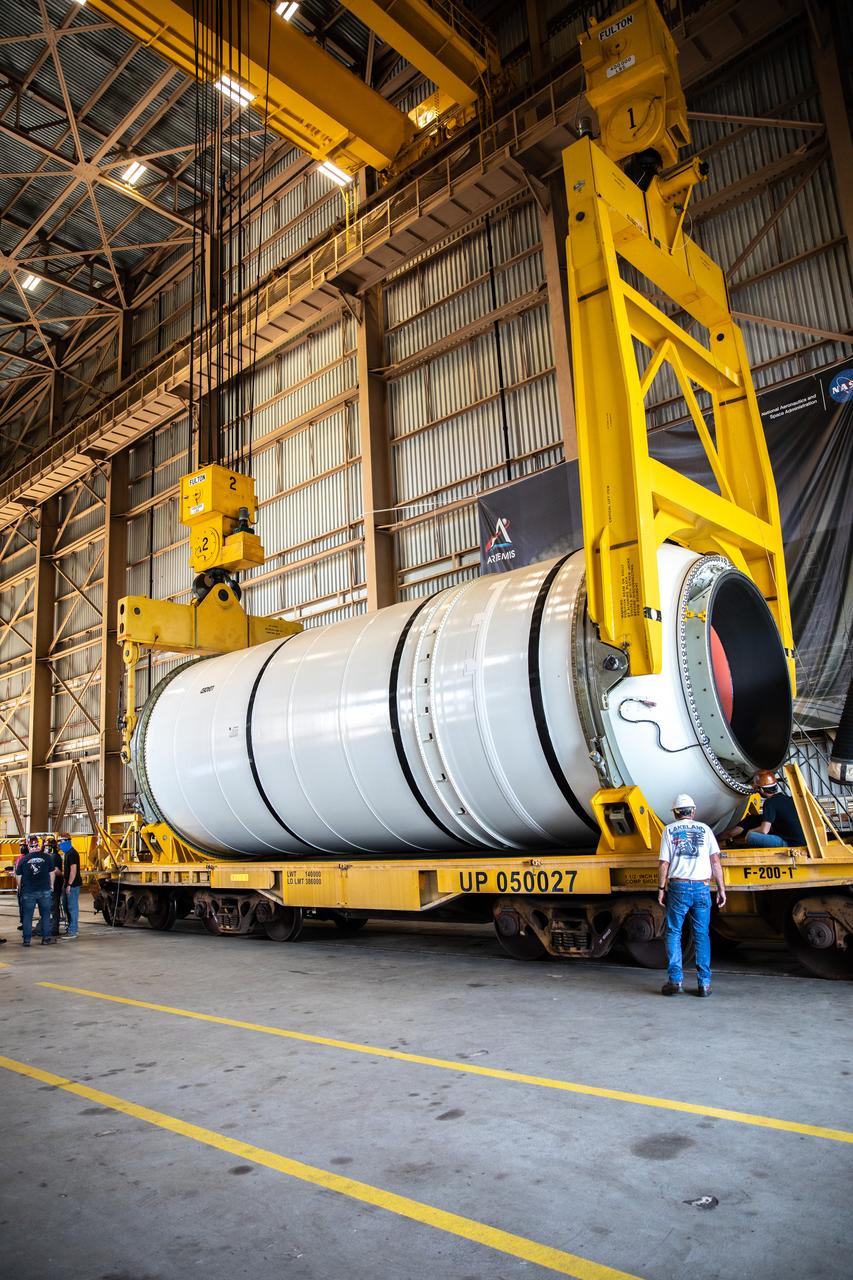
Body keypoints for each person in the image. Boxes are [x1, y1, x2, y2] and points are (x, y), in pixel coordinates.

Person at [657, 793, 726, 997]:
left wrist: (661, 888)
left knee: (674, 933)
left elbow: (664, 863)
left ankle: (675, 981)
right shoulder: (705, 829)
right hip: (702, 887)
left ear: (676, 813)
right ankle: (704, 984)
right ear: (693, 812)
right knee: (701, 935)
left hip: (678, 888)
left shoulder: (669, 830)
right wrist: (721, 888)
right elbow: (715, 862)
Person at [743, 771, 805, 848]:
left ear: (761, 790)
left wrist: (750, 831)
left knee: (751, 836)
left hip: (790, 844)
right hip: (804, 841)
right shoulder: (788, 799)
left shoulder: (769, 802)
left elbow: (764, 830)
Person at [15, 837, 57, 947]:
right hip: (44, 890)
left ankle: (27, 940)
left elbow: (18, 876)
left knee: (27, 916)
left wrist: (20, 889)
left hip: (28, 891)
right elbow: (52, 873)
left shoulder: (23, 859)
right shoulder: (47, 858)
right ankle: (46, 938)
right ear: (38, 845)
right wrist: (51, 885)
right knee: (45, 915)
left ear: (28, 846)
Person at [59, 833, 81, 939]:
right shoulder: (67, 853)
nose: (60, 844)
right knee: (67, 906)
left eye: (61, 841)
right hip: (68, 884)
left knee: (72, 907)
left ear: (67, 841)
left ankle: (73, 931)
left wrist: (69, 884)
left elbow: (73, 869)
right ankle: (71, 928)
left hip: (73, 884)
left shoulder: (72, 853)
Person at [47, 836, 64, 937]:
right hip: (57, 884)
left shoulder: (53, 857)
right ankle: (53, 927)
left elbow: (56, 871)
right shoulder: (56, 856)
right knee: (54, 907)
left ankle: (54, 929)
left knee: (53, 907)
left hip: (55, 885)